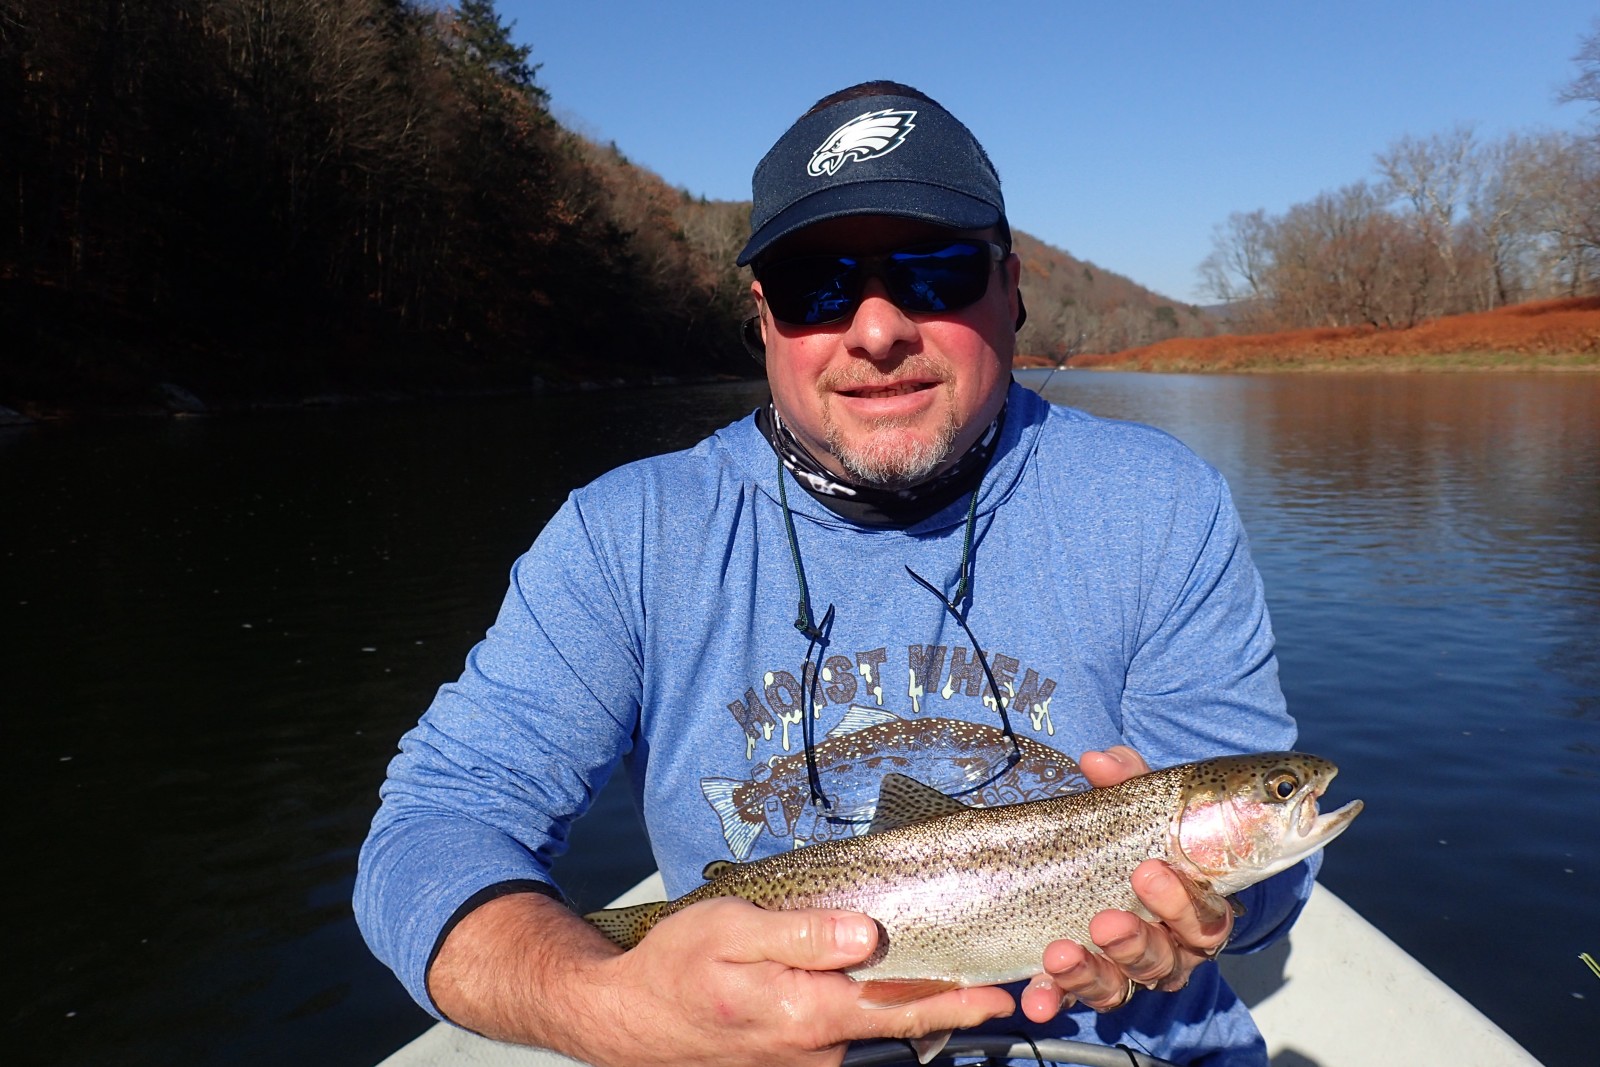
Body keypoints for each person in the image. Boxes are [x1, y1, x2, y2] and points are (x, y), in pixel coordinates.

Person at [355, 80, 1317, 1066]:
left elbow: (1270, 882)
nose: (875, 329)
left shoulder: (1156, 501)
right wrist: (599, 1000)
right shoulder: (630, 534)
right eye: (819, 285)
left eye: (933, 272)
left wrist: (1214, 909)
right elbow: (433, 825)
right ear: (763, 318)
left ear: (1011, 289)